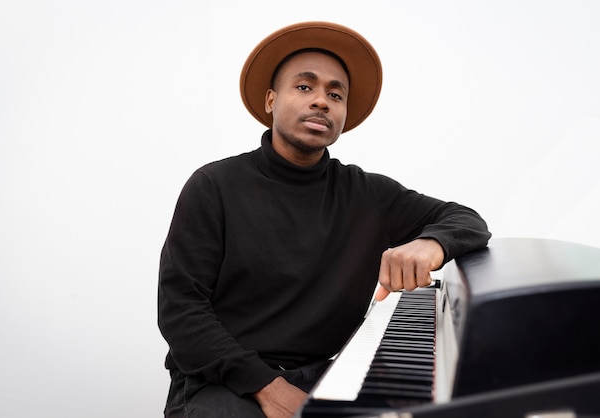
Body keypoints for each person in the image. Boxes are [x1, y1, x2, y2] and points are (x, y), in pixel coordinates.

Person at [158, 21, 491, 418]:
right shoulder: (213, 185)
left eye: (335, 94)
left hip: (325, 373)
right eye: (304, 87)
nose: (321, 101)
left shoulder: (366, 192)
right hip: (222, 381)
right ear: (270, 101)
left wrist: (430, 243)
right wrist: (267, 387)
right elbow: (181, 311)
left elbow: (467, 220)